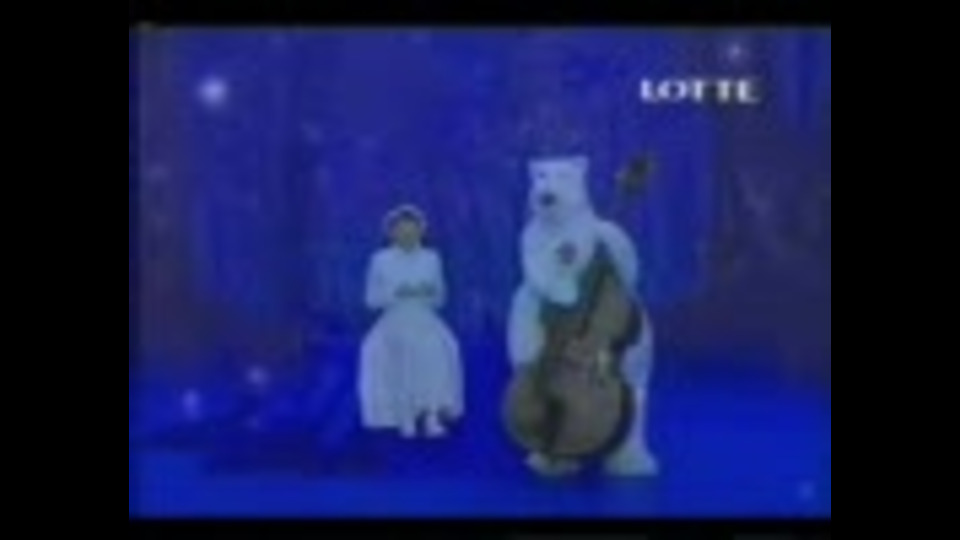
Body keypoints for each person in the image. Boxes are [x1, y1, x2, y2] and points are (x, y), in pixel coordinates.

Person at [358, 204, 464, 438]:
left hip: (424, 318)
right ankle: (404, 416)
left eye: (412, 230)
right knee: (403, 352)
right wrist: (397, 294)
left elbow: (440, 298)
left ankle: (432, 414)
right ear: (392, 233)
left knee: (441, 349)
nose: (407, 235)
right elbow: (371, 300)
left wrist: (426, 292)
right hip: (394, 319)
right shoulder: (380, 260)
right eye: (401, 230)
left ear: (420, 231)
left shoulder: (432, 258)